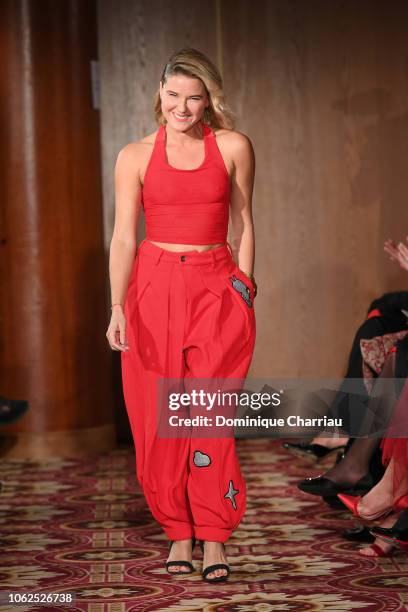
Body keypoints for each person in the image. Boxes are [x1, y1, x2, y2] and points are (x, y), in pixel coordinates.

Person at [106, 48, 257, 583]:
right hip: (152, 286)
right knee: (157, 419)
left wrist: (244, 288)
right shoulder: (134, 155)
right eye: (174, 96)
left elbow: (245, 222)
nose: (182, 107)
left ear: (209, 100)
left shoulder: (233, 146)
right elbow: (124, 236)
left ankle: (214, 538)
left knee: (209, 416)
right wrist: (117, 305)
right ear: (160, 93)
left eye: (195, 98)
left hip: (216, 285)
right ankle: (178, 532)